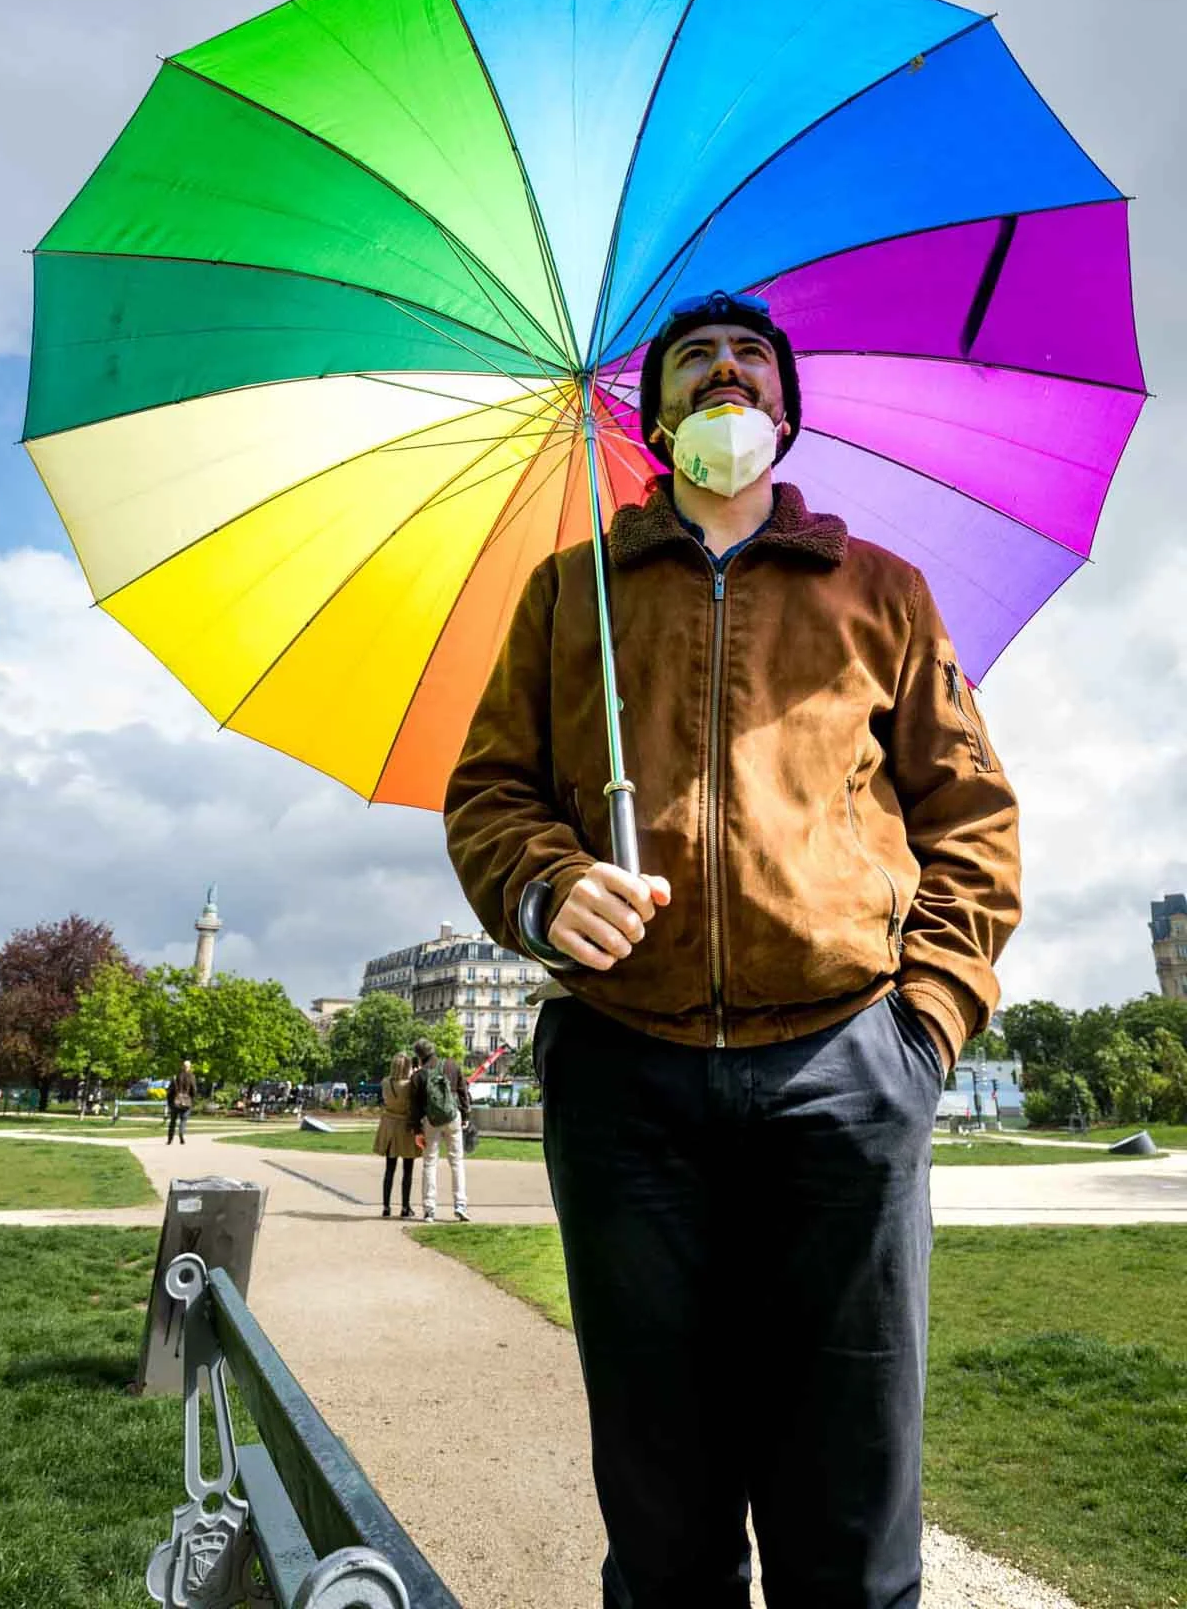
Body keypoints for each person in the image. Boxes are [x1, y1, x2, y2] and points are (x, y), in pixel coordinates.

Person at [444, 290, 1022, 1609]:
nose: (723, 372)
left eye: (749, 359)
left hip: (845, 1074)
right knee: (664, 1520)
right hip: (623, 1085)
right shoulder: (571, 592)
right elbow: (489, 795)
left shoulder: (881, 590)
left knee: (854, 1518)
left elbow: (974, 818)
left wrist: (925, 1023)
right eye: (693, 361)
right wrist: (544, 888)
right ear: (651, 418)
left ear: (784, 408)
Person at [409, 1037, 471, 1224]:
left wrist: (416, 1130)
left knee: (429, 1163)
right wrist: (466, 1116)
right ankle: (460, 1204)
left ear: (419, 1055)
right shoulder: (452, 1065)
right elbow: (463, 1092)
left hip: (431, 1121)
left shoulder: (418, 1076)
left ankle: (429, 1209)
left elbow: (415, 1106)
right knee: (457, 1162)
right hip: (453, 1117)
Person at [375, 1051, 420, 1218]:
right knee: (407, 1170)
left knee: (389, 1169)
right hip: (405, 1125)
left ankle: (386, 1206)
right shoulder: (409, 1085)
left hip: (388, 1125)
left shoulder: (385, 1082)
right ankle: (405, 1206)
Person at [166, 1060, 196, 1145]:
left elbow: (170, 1090)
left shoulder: (176, 1076)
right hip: (186, 1101)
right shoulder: (191, 1076)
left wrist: (169, 1102)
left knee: (173, 1121)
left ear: (182, 1066)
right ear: (189, 1067)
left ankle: (170, 1139)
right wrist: (192, 1100)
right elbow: (194, 1090)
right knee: (183, 1119)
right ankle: (181, 1133)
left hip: (175, 1101)